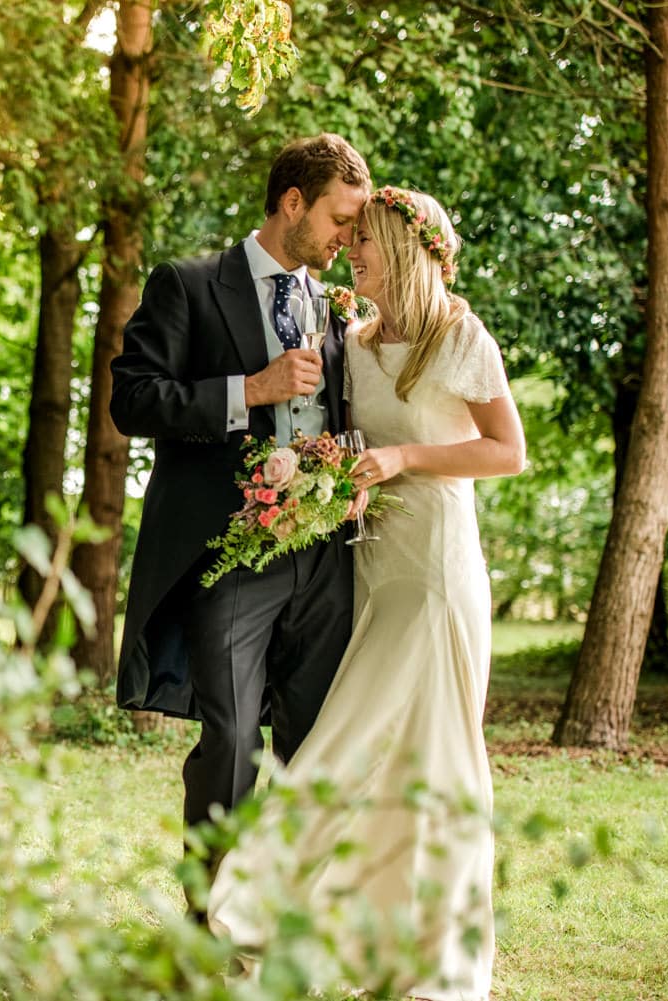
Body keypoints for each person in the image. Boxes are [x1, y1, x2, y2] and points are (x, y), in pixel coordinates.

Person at [207, 185, 526, 1001]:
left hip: (436, 567)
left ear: (406, 250)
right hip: (372, 559)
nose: (353, 252)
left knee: (427, 747)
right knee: (372, 746)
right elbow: (354, 444)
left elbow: (505, 453)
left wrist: (405, 462)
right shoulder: (356, 337)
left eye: (367, 242)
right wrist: (325, 483)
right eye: (352, 240)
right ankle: (341, 927)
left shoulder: (459, 335)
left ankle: (434, 951)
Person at [108, 134, 371, 904]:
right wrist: (246, 390)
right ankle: (207, 917)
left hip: (325, 555)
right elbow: (133, 400)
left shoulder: (333, 303)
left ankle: (290, 911)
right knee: (229, 738)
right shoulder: (189, 285)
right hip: (233, 551)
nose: (348, 238)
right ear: (293, 203)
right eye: (340, 218)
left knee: (318, 735)